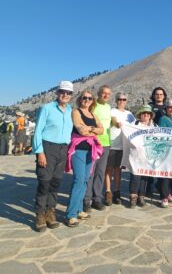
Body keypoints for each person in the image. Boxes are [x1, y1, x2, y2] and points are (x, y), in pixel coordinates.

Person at [32, 81, 74, 232]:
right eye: (62, 91)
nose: (65, 95)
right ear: (57, 92)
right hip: (47, 147)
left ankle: (50, 211)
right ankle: (40, 214)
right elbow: (37, 131)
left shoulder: (70, 110)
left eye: (68, 93)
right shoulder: (47, 108)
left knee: (56, 182)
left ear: (71, 95)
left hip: (63, 149)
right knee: (44, 181)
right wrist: (40, 152)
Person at [66, 90, 104, 227]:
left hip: (90, 151)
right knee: (78, 179)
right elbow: (80, 129)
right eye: (84, 98)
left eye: (89, 98)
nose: (86, 100)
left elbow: (102, 130)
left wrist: (90, 128)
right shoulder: (76, 112)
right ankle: (71, 214)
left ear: (93, 100)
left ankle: (79, 209)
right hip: (79, 150)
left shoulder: (93, 114)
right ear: (80, 99)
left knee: (85, 180)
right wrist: (94, 129)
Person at [84, 85, 114, 212]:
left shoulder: (108, 107)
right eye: (103, 93)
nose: (106, 95)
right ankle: (86, 200)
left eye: (108, 93)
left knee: (100, 172)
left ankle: (97, 198)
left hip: (106, 143)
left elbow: (108, 122)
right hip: (93, 143)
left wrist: (115, 122)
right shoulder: (93, 105)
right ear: (99, 93)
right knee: (90, 172)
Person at [105, 92, 135, 206]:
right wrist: (115, 123)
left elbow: (135, 127)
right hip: (112, 144)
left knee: (118, 170)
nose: (121, 101)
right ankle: (108, 192)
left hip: (123, 146)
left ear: (126, 101)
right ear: (116, 100)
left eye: (124, 99)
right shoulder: (112, 111)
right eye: (119, 99)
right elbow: (112, 120)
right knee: (109, 169)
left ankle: (117, 192)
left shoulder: (130, 114)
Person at [127, 104, 156, 208]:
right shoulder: (133, 124)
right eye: (144, 113)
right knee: (135, 176)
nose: (146, 115)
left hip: (147, 156)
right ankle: (133, 197)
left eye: (148, 113)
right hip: (136, 155)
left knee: (144, 177)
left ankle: (141, 196)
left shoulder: (154, 126)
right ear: (140, 114)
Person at [148, 86, 168, 196]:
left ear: (164, 96)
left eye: (161, 94)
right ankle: (148, 187)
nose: (159, 96)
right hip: (151, 138)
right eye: (157, 94)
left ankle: (161, 187)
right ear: (154, 96)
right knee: (150, 163)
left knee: (162, 163)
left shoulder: (168, 107)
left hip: (164, 140)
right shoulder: (150, 107)